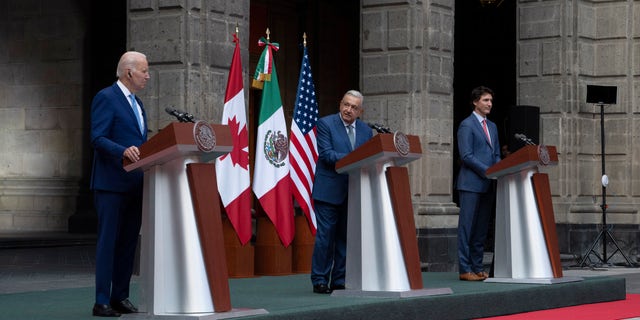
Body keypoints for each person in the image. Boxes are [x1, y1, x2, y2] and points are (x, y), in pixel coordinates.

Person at [90, 51, 150, 316]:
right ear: (129, 72)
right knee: (109, 242)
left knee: (127, 243)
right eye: (144, 71)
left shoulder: (139, 105)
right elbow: (97, 138)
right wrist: (123, 150)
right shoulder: (106, 97)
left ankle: (120, 296)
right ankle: (101, 300)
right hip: (111, 184)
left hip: (135, 184)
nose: (148, 76)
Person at [310, 90, 374, 294]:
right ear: (340, 104)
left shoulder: (365, 131)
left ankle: (339, 279)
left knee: (345, 239)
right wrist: (356, 159)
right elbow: (327, 155)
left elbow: (370, 156)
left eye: (354, 107)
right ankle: (320, 279)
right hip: (329, 191)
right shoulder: (326, 124)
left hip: (354, 192)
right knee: (325, 238)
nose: (349, 110)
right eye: (346, 104)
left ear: (360, 111)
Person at [456, 86, 501, 281]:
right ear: (475, 102)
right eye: (485, 100)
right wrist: (487, 170)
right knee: (467, 228)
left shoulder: (492, 126)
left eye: (491, 100)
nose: (489, 104)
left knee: (482, 229)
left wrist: (500, 170)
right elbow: (466, 155)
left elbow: (496, 153)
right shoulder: (467, 125)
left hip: (488, 184)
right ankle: (465, 269)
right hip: (471, 184)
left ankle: (477, 266)